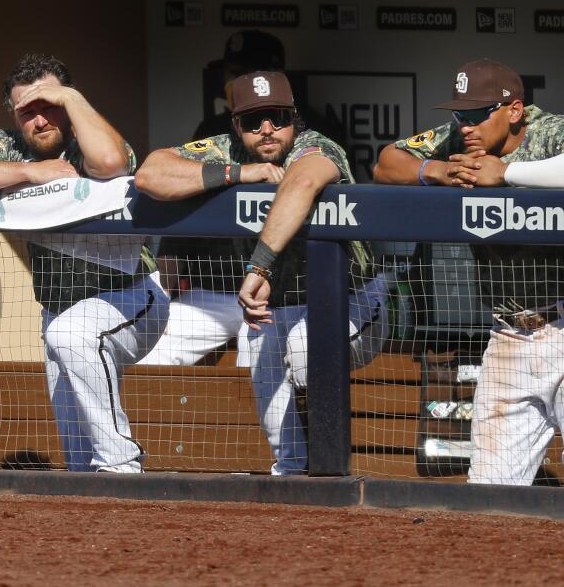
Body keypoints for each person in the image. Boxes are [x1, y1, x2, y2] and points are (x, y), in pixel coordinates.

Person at [136, 70, 389, 475]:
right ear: (236, 125)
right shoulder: (228, 151)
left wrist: (260, 266)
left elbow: (303, 182)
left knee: (306, 348)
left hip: (351, 299)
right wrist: (238, 173)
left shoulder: (315, 145)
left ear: (294, 117)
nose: (268, 130)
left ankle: (330, 472)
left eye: (278, 117)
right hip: (280, 305)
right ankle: (293, 473)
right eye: (253, 121)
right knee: (261, 357)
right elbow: (150, 174)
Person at [0, 52, 168, 473]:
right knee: (77, 450)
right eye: (28, 112)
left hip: (132, 298)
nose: (40, 120)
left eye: (50, 107)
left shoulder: (90, 137)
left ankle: (122, 465)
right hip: (59, 309)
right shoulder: (9, 146)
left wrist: (73, 99)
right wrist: (29, 173)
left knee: (71, 333)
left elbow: (112, 163)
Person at [374, 58, 564, 487]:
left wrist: (507, 173)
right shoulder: (458, 140)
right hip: (507, 333)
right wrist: (437, 170)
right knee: (489, 488)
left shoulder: (551, 131)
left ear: (514, 110)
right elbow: (386, 162)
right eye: (459, 114)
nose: (465, 125)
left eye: (476, 114)